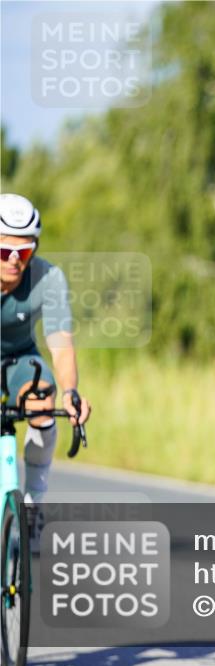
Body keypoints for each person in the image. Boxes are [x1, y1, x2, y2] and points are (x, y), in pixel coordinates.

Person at [0, 193, 93, 551]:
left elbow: (61, 345)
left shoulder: (48, 278)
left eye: (24, 252)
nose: (14, 260)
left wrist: (70, 393)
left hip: (20, 359)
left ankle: (33, 504)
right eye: (5, 251)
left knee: (42, 398)